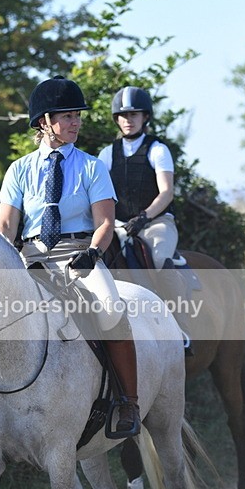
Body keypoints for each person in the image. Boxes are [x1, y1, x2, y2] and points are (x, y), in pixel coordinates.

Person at [0, 76, 141, 441]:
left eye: (77, 116)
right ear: (44, 122)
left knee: (112, 309)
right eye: (67, 116)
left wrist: (93, 252)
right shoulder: (19, 169)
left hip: (79, 255)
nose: (76, 122)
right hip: (29, 257)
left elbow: (105, 223)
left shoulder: (92, 167)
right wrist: (4, 263)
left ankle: (128, 401)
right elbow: (6, 227)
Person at [98, 85, 192, 350]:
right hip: (118, 225)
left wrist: (144, 217)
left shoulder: (158, 150)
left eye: (134, 115)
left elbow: (166, 192)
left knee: (160, 259)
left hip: (156, 223)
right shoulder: (107, 154)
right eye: (123, 115)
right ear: (116, 119)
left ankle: (180, 326)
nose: (128, 120)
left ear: (145, 117)